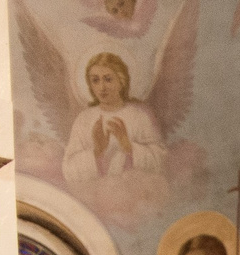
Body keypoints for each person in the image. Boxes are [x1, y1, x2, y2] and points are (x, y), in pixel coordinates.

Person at [63, 53, 164, 185]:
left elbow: (161, 161)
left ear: (121, 81)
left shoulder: (139, 117)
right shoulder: (84, 120)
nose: (102, 87)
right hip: (94, 192)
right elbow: (68, 170)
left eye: (108, 79)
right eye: (95, 80)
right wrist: (97, 151)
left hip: (133, 190)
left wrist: (128, 146)